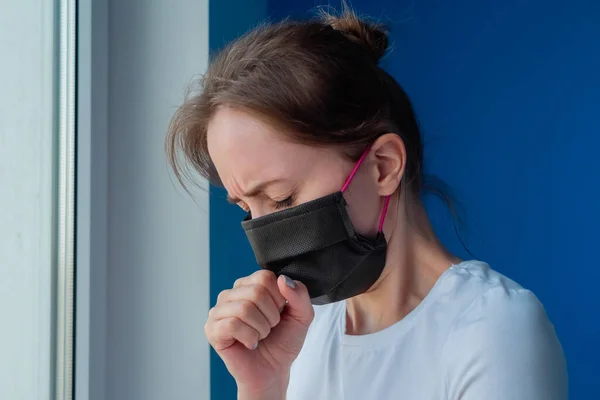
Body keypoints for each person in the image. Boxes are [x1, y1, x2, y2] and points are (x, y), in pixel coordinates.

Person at [166, 7, 568, 400]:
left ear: (382, 167)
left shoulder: (493, 329)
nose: (266, 241)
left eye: (281, 197)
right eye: (245, 209)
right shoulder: (296, 338)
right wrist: (262, 388)